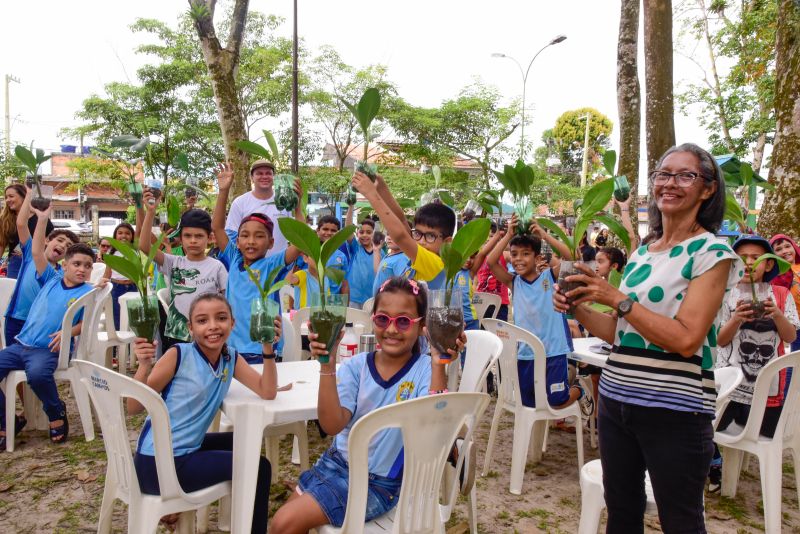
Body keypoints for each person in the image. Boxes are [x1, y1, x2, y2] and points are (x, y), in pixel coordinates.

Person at [553, 143, 742, 532]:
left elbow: (688, 339)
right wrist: (579, 309)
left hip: (674, 409)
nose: (670, 183)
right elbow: (622, 334)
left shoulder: (713, 253)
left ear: (707, 189)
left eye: (685, 175)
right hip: (617, 399)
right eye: (663, 174)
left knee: (680, 520)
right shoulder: (643, 253)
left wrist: (618, 300)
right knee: (621, 512)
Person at [270, 277, 460, 533]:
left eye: (403, 321)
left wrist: (439, 361)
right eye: (383, 319)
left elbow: (436, 434)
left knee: (284, 522)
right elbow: (331, 424)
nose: (392, 329)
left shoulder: (426, 370)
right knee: (281, 526)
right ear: (373, 320)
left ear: (422, 326)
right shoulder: (356, 366)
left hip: (378, 484)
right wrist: (328, 364)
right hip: (334, 464)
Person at [130, 294, 282, 533]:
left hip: (185, 449)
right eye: (202, 321)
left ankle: (231, 512)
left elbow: (267, 390)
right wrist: (144, 365)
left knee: (246, 441)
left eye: (221, 318)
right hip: (158, 463)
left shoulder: (230, 357)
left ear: (233, 323)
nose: (212, 326)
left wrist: (267, 347)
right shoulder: (178, 355)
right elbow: (133, 406)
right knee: (259, 466)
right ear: (190, 328)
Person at [708, 235, 798, 491]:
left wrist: (778, 315)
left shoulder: (780, 295)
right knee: (705, 426)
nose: (749, 262)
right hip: (729, 389)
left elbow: (790, 335)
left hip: (767, 392)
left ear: (769, 265)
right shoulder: (728, 294)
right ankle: (714, 461)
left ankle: (735, 463)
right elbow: (721, 341)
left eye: (756, 258)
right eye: (742, 257)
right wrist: (735, 319)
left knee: (766, 435)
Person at [0, 242, 96, 448]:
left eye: (88, 266)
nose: (82, 269)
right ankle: (6, 421)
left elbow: (86, 323)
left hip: (48, 349)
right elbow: (36, 252)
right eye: (77, 264)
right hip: (21, 344)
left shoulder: (88, 292)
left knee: (37, 375)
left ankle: (55, 411)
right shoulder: (51, 280)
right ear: (64, 265)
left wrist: (67, 331)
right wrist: (42, 217)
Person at [486, 215, 585, 411]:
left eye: (525, 254)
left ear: (537, 257)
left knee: (555, 401)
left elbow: (572, 257)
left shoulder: (550, 276)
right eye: (514, 255)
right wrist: (508, 235)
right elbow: (491, 261)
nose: (519, 259)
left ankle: (578, 389)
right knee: (529, 403)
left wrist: (543, 235)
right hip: (526, 354)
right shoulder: (514, 282)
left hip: (553, 350)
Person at [212, 162, 301, 363]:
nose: (251, 241)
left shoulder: (273, 265)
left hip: (264, 350)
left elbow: (301, 242)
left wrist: (297, 207)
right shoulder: (234, 258)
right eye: (245, 235)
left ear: (271, 243)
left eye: (259, 236)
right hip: (231, 348)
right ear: (238, 239)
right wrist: (223, 191)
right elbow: (217, 228)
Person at [140, 190, 227, 349]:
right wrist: (150, 213)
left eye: (199, 236)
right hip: (177, 335)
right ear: (181, 238)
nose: (193, 241)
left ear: (209, 238)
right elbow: (144, 247)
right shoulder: (173, 262)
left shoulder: (217, 267)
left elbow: (226, 302)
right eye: (188, 236)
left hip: (208, 335)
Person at [352, 171, 453, 292]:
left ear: (447, 242)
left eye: (430, 236)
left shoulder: (436, 263)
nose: (421, 241)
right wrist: (381, 188)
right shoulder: (418, 256)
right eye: (418, 233)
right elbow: (402, 219)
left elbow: (400, 236)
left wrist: (371, 194)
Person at [4, 194, 79, 344]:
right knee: (12, 360)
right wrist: (28, 194)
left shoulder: (59, 274)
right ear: (46, 240)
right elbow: (21, 224)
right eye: (60, 240)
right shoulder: (31, 254)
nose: (63, 245)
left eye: (68, 246)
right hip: (16, 318)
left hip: (39, 323)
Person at [223, 159, 303, 257]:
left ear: (273, 177)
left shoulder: (283, 201)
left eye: (268, 173)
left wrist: (298, 204)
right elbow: (231, 235)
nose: (264, 176)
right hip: (251, 267)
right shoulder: (240, 203)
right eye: (259, 173)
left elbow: (300, 232)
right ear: (252, 177)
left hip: (281, 265)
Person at [0, 184, 54, 279]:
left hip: (38, 263)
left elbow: (49, 243)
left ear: (24, 196)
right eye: (6, 197)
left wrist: (30, 251)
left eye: (11, 196)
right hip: (16, 264)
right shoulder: (4, 220)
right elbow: (1, 245)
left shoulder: (40, 217)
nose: (8, 200)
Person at [102, 221, 139, 329]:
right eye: (120, 233)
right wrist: (102, 285)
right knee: (117, 316)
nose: (123, 235)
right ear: (115, 236)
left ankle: (131, 343)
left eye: (127, 233)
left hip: (132, 287)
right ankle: (118, 344)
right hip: (116, 288)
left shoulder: (135, 250)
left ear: (132, 236)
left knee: (133, 317)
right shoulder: (111, 252)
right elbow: (107, 272)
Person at [769, 234, 800, 353]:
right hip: (796, 322)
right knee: (796, 356)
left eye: (787, 246)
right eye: (778, 249)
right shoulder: (777, 274)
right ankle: (791, 372)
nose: (785, 251)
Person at [344, 205, 378, 308]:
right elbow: (348, 229)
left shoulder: (379, 252)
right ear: (357, 234)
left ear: (374, 233)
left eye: (369, 232)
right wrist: (351, 206)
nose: (364, 235)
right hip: (353, 298)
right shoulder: (355, 248)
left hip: (372, 298)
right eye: (361, 232)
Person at [475, 221, 510, 321]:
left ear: (498, 237)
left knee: (499, 334)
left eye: (491, 236)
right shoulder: (477, 257)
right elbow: (476, 280)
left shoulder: (504, 254)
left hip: (500, 304)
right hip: (481, 303)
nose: (487, 240)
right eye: (484, 237)